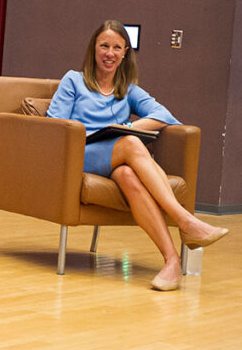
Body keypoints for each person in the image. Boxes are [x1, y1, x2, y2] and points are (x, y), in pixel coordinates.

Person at [46, 20, 229, 291]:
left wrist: (126, 127)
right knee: (131, 143)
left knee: (128, 175)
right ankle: (185, 220)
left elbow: (164, 116)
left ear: (124, 53)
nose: (109, 53)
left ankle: (171, 262)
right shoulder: (73, 80)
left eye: (116, 47)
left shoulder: (127, 89)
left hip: (114, 161)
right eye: (104, 46)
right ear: (93, 49)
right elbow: (55, 123)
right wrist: (124, 133)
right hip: (79, 155)